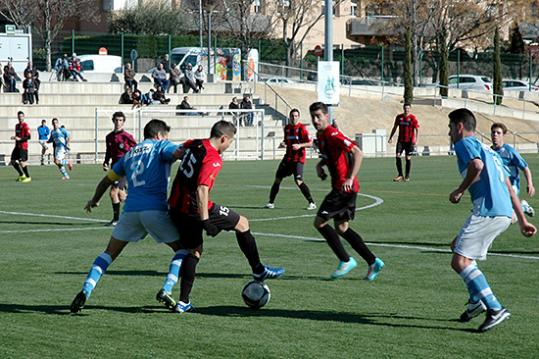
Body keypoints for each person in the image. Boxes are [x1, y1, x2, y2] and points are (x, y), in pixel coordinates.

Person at [162, 120, 285, 313]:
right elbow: (202, 189)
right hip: (195, 210)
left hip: (176, 207)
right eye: (230, 141)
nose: (229, 146)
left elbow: (178, 151)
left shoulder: (194, 143)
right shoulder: (213, 158)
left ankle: (183, 301)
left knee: (193, 251)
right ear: (223, 138)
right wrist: (205, 221)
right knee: (242, 224)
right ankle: (258, 269)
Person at [70, 119, 185, 314]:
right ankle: (167, 289)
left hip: (130, 211)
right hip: (154, 210)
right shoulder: (161, 146)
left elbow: (106, 181)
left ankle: (86, 290)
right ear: (159, 135)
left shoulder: (129, 154)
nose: (167, 139)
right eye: (166, 136)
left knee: (108, 253)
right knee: (183, 250)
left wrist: (95, 200)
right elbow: (178, 152)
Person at [447, 108, 536, 332]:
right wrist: (522, 221)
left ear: (459, 127)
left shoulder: (465, 143)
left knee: (459, 261)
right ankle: (476, 301)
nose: (449, 133)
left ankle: (495, 308)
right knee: (457, 247)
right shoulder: (491, 151)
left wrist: (459, 190)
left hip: (488, 210)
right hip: (504, 212)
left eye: (450, 128)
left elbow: (476, 167)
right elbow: (510, 189)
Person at [309, 102, 384, 280]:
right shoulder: (320, 136)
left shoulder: (333, 133)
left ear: (327, 116)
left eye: (318, 116)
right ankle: (373, 262)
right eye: (313, 116)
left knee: (319, 222)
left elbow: (358, 152)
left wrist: (350, 178)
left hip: (344, 188)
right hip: (343, 188)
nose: (315, 120)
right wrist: (320, 165)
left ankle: (345, 260)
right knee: (342, 228)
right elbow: (332, 156)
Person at [265, 109, 316, 210]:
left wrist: (300, 145)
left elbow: (310, 143)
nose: (294, 118)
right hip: (287, 158)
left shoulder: (302, 129)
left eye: (296, 116)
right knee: (277, 179)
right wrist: (283, 143)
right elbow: (286, 140)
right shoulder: (287, 128)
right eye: (292, 116)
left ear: (298, 117)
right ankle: (271, 202)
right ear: (289, 116)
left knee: (298, 181)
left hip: (298, 159)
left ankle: (311, 203)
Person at [490, 122, 535, 217]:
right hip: (498, 186)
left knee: (509, 216)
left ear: (503, 135)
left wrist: (530, 184)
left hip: (512, 185)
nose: (495, 135)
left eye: (498, 133)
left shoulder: (509, 151)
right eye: (493, 132)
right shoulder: (489, 152)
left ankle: (522, 207)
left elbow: (525, 168)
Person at [102, 112, 137, 226]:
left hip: (124, 168)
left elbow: (136, 149)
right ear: (113, 121)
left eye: (120, 120)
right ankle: (136, 212)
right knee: (121, 194)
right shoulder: (109, 137)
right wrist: (106, 162)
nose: (118, 122)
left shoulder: (127, 137)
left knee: (113, 192)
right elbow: (109, 151)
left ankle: (116, 219)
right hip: (114, 168)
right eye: (116, 120)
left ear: (123, 122)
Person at [388, 103, 419, 182]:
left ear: (410, 109)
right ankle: (400, 175)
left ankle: (407, 176)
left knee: (408, 158)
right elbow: (395, 127)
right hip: (401, 141)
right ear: (403, 108)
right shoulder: (399, 117)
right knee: (397, 156)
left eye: (408, 108)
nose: (406, 110)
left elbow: (416, 129)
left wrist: (415, 140)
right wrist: (390, 137)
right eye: (405, 108)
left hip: (409, 142)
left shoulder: (412, 118)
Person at [10, 111, 31, 183]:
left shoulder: (26, 126)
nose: (20, 118)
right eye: (19, 116)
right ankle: (22, 175)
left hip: (23, 147)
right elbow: (18, 135)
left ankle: (28, 176)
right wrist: (15, 137)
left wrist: (20, 139)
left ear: (24, 117)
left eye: (21, 116)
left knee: (22, 162)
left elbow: (29, 136)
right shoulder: (17, 126)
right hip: (17, 146)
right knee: (12, 161)